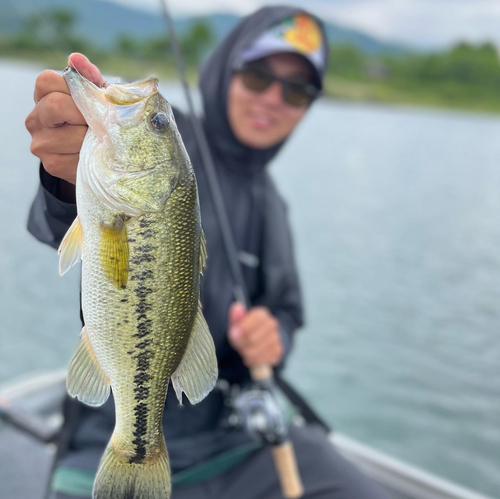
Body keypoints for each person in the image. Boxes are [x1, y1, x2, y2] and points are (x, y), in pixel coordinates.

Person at [26, 6, 391, 499]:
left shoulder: (273, 204)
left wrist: (273, 336)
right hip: (105, 429)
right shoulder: (176, 147)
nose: (273, 99)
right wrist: (63, 178)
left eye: (297, 90)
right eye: (258, 76)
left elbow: (286, 309)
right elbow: (60, 221)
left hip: (233, 437)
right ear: (227, 70)